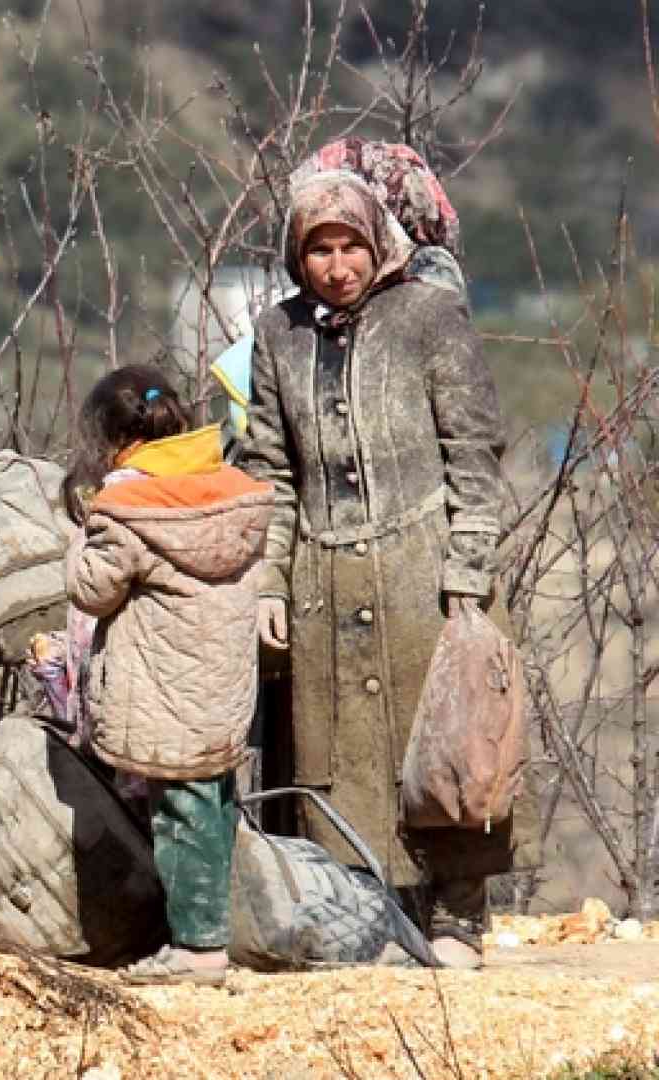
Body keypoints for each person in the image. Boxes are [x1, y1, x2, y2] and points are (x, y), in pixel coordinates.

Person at [242, 164, 520, 970]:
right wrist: (269, 580)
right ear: (297, 257)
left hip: (423, 574)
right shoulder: (277, 334)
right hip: (324, 584)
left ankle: (457, 919)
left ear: (377, 241)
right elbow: (271, 469)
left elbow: (473, 449)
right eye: (319, 250)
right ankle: (371, 921)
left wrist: (468, 568)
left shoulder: (429, 316)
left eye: (350, 246)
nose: (338, 266)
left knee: (448, 746)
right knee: (341, 762)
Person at [58, 365, 271, 984]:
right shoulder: (228, 487)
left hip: (164, 686)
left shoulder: (126, 507)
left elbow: (92, 589)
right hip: (222, 684)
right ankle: (213, 931)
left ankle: (197, 948)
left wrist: (77, 538)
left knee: (177, 812)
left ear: (110, 438)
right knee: (212, 803)